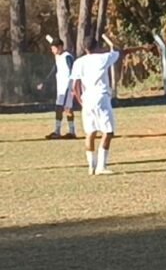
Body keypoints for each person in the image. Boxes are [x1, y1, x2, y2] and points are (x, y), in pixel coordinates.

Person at [70, 37, 150, 175]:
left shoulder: (79, 62)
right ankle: (101, 166)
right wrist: (142, 48)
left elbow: (75, 85)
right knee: (108, 131)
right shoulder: (103, 58)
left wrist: (80, 100)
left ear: (85, 48)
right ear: (97, 47)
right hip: (101, 97)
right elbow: (122, 52)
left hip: (87, 100)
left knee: (90, 132)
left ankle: (91, 166)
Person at [37, 38, 76, 139]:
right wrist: (44, 82)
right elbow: (54, 70)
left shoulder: (67, 57)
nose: (52, 51)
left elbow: (73, 70)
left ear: (60, 47)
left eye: (54, 48)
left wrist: (73, 86)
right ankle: (58, 131)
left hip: (68, 86)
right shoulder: (58, 57)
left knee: (66, 108)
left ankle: (70, 132)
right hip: (61, 88)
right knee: (60, 108)